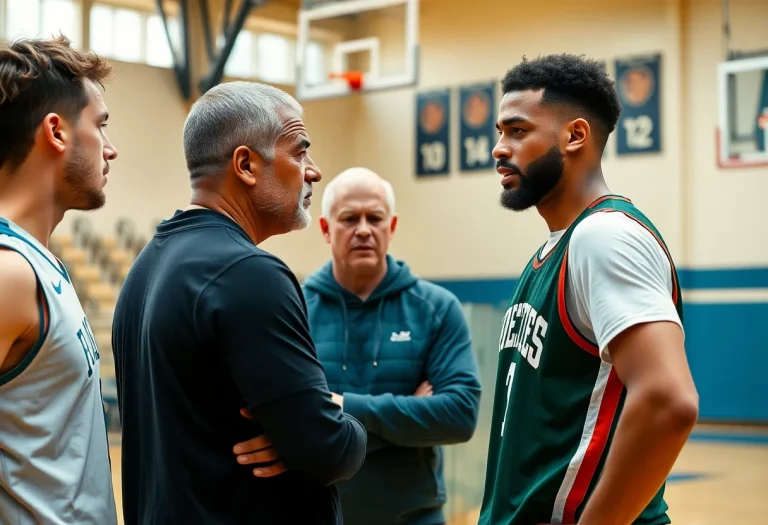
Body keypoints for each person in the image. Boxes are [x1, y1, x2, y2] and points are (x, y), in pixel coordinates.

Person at [111, 81, 367, 525]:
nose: (314, 171)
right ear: (246, 164)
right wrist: (342, 423)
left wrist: (300, 434)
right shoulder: (249, 273)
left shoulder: (145, 269)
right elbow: (328, 452)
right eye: (300, 151)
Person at [479, 54, 699, 525]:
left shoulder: (605, 237)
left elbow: (668, 399)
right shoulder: (557, 248)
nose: (499, 148)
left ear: (575, 135)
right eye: (500, 132)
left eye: (517, 131)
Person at [299, 167, 482, 525]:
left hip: (414, 517)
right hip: (318, 514)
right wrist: (410, 417)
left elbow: (459, 416)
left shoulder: (437, 308)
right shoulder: (295, 310)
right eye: (350, 218)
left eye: (375, 218)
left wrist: (340, 406)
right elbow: (289, 422)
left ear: (391, 226)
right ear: (325, 229)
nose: (363, 229)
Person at [0, 36, 119, 524]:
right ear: (57, 131)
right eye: (101, 126)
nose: (111, 150)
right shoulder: (8, 271)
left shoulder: (39, 261)